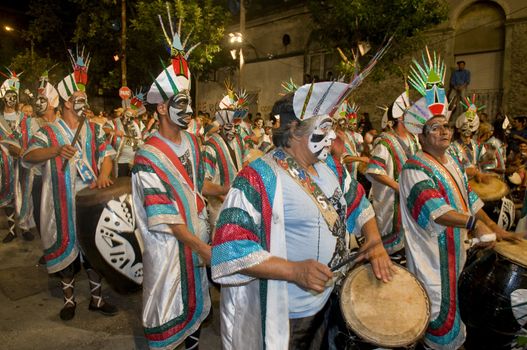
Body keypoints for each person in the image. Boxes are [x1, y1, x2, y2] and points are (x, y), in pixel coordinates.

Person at [211, 81, 393, 350]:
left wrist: (375, 242)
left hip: (328, 301)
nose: (333, 138)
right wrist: (294, 271)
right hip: (287, 315)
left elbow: (358, 203)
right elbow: (229, 248)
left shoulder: (331, 168)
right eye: (325, 128)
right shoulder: (258, 177)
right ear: (294, 130)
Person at [402, 48, 519, 350]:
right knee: (438, 318)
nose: (444, 131)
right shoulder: (414, 168)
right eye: (435, 127)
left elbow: (471, 201)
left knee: (456, 315)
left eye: (447, 126)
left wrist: (494, 226)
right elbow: (436, 212)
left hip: (458, 255)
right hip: (432, 261)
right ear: (421, 135)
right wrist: (475, 226)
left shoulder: (452, 161)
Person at [131, 11, 227, 349]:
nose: (189, 110)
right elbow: (166, 218)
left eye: (189, 103)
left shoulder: (193, 142)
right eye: (180, 103)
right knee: (168, 312)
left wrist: (227, 190)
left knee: (197, 312)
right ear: (160, 108)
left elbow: (198, 184)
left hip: (196, 243)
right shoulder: (146, 159)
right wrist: (203, 249)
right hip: (171, 251)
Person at [23, 49, 118, 321]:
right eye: (77, 99)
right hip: (60, 202)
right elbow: (29, 155)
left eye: (83, 99)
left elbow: (108, 154)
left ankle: (97, 300)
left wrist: (104, 173)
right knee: (66, 250)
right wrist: (54, 151)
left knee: (93, 250)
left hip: (90, 200)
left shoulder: (94, 128)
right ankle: (69, 300)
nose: (83, 103)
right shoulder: (49, 131)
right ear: (65, 103)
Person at [366, 90, 419, 256]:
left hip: (411, 201)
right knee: (392, 251)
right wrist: (397, 186)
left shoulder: (414, 141)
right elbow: (374, 171)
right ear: (400, 118)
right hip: (391, 202)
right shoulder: (385, 142)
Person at [203, 87, 248, 229]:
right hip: (219, 211)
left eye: (237, 121)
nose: (236, 125)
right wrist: (228, 197)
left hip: (241, 206)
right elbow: (204, 185)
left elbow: (245, 165)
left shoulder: (240, 140)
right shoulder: (210, 146)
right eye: (232, 121)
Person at [0, 68, 36, 243]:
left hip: (23, 161)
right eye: (8, 95)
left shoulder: (24, 118)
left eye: (14, 96)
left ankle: (25, 226)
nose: (11, 99)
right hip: (4, 163)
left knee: (25, 193)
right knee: (7, 194)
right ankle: (12, 229)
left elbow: (31, 138)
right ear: (3, 97)